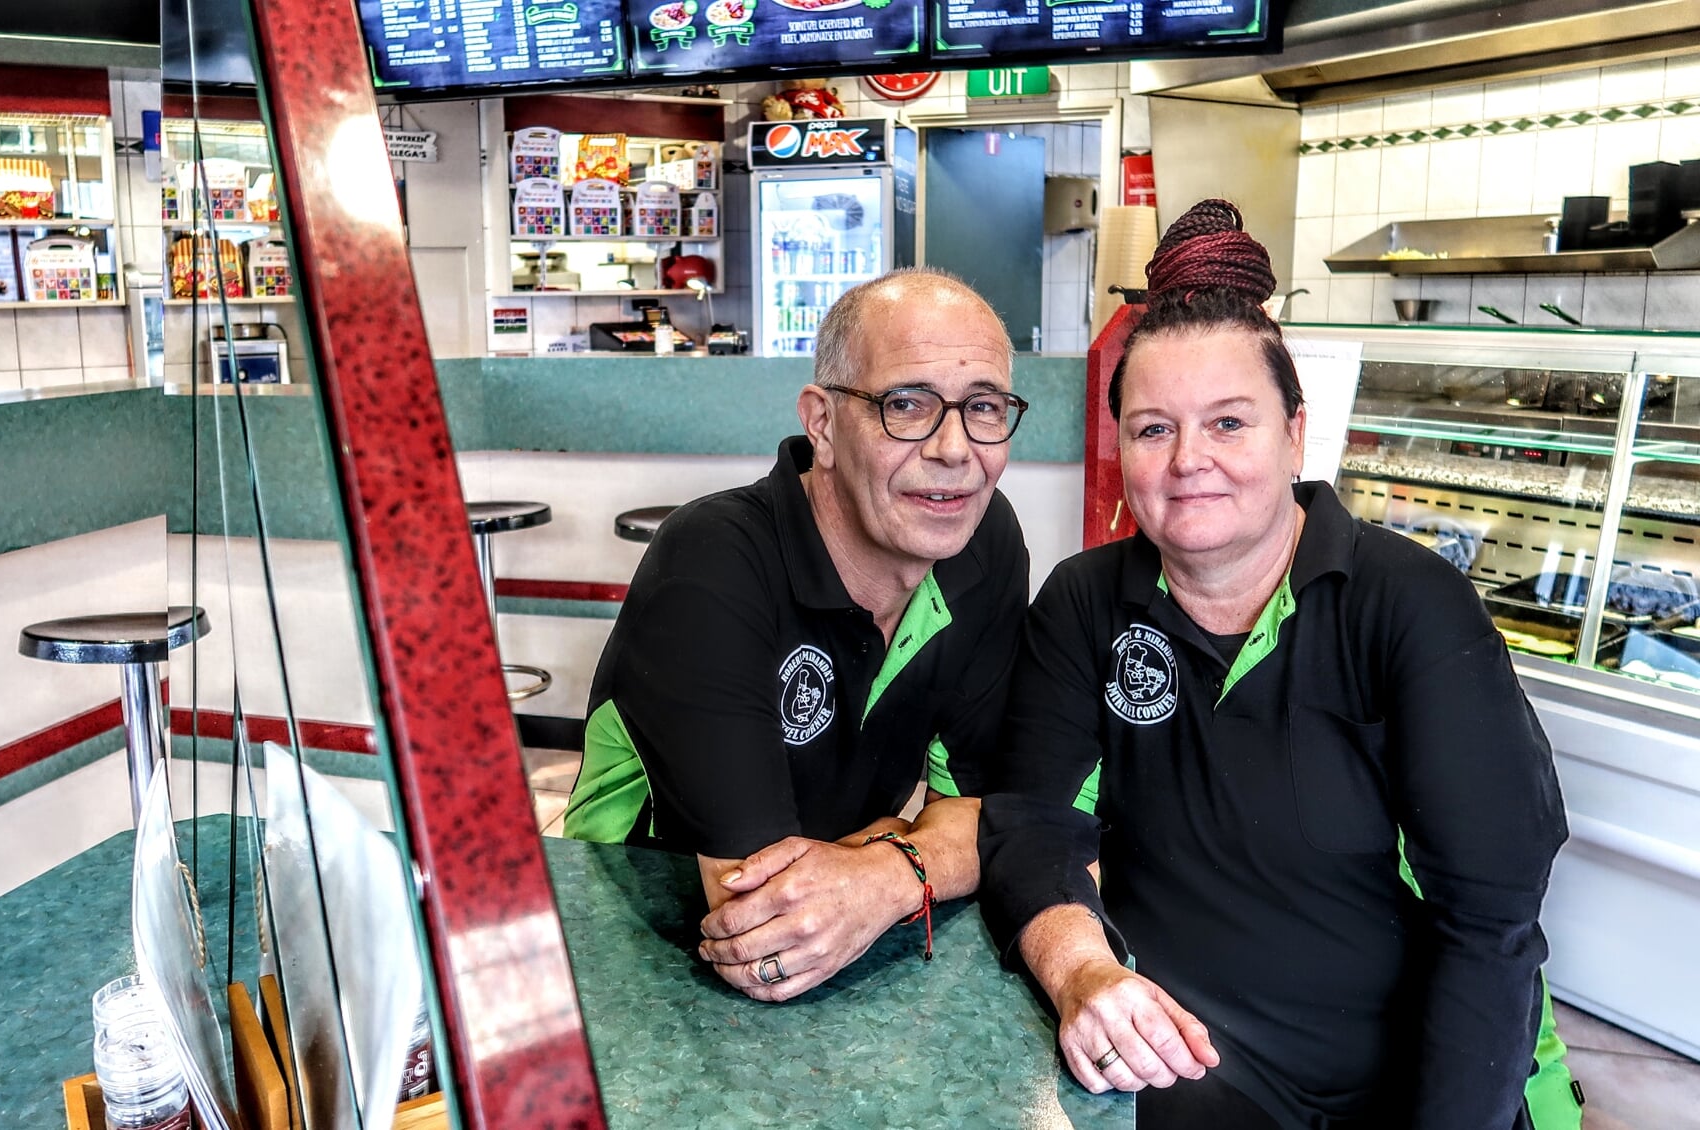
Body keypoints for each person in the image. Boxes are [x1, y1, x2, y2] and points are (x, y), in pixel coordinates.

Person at [979, 200, 1580, 1129]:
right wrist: (1083, 968)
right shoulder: (1085, 602)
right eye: (1152, 429)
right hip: (1171, 1073)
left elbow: (1488, 926)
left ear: (1294, 435)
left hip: (1386, 1087)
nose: (1189, 462)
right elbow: (1031, 828)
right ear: (1121, 449)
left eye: (1229, 423)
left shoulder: (1408, 608)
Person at [565, 267, 1031, 1002]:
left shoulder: (982, 542)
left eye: (984, 407)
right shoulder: (712, 562)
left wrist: (884, 870)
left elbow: (989, 814)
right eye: (906, 404)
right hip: (635, 954)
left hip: (850, 953)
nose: (954, 450)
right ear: (822, 423)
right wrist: (914, 846)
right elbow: (759, 915)